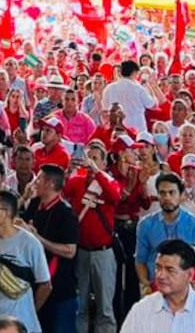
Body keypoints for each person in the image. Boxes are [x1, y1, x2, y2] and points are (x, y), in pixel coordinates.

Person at [63, 141, 121, 333]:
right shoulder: (78, 181)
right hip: (81, 251)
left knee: (105, 308)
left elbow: (115, 195)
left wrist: (97, 172)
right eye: (89, 157)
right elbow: (65, 191)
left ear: (104, 163)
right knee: (81, 307)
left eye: (95, 158)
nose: (90, 161)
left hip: (102, 253)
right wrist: (71, 169)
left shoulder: (109, 181)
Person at [119, 239, 195, 332]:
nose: (160, 275)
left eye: (170, 270)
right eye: (158, 268)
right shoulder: (141, 310)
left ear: (190, 275)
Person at [17, 164, 79, 332]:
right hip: (35, 284)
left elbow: (70, 250)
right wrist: (23, 198)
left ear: (50, 184)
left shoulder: (66, 213)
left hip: (60, 289)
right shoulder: (35, 203)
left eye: (39, 179)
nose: (35, 182)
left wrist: (38, 239)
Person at [0, 191, 52, 333]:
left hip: (21, 323)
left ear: (7, 212)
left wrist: (30, 310)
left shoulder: (29, 243)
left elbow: (45, 285)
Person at [135, 172, 195, 294]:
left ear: (181, 195)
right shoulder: (145, 225)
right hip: (155, 288)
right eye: (162, 193)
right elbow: (140, 260)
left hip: (187, 289)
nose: (167, 197)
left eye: (172, 192)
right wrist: (145, 285)